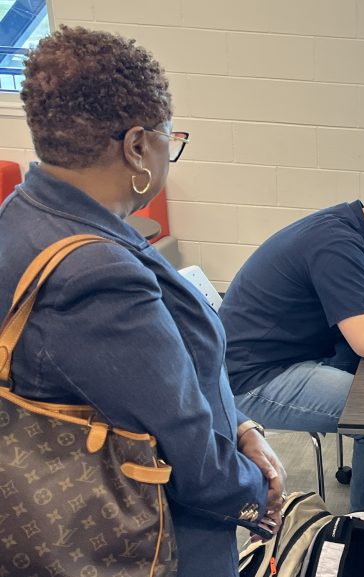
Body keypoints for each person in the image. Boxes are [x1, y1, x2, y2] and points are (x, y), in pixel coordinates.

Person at [0, 26, 284, 575]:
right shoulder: (98, 276)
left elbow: (150, 387)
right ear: (136, 147)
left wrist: (240, 425)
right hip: (153, 536)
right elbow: (189, 452)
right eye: (169, 140)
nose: (169, 153)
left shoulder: (24, 213)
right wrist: (257, 491)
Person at [219, 174, 364, 511]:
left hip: (289, 351)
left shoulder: (346, 228)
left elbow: (361, 318)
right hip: (253, 377)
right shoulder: (338, 245)